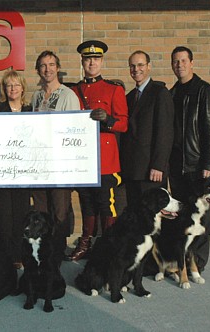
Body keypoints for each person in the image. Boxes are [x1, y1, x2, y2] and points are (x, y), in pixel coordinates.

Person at [67, 41, 128, 261]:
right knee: (87, 203)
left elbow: (123, 124)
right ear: (82, 61)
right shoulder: (73, 90)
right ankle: (86, 243)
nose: (92, 62)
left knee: (105, 204)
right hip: (82, 159)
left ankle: (109, 246)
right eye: (87, 59)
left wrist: (108, 119)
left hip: (105, 160)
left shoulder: (114, 89)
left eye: (96, 59)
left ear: (102, 61)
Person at [169, 46, 210, 272]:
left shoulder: (204, 91)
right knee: (184, 218)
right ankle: (183, 261)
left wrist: (209, 165)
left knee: (202, 217)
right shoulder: (172, 93)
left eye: (183, 60)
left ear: (192, 63)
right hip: (178, 168)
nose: (179, 64)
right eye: (176, 61)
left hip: (199, 167)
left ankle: (197, 264)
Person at [31, 50, 81, 261]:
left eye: (51, 64)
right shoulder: (36, 96)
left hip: (61, 165)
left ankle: (58, 252)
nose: (47, 69)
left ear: (58, 68)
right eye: (43, 65)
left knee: (60, 211)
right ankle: (43, 251)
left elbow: (74, 131)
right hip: (40, 165)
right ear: (38, 70)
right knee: (42, 211)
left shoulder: (68, 95)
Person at [0, 70, 32, 269]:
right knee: (1, 215)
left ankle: (18, 256)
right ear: (4, 89)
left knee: (20, 216)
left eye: (16, 85)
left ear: (23, 88)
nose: (13, 88)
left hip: (24, 172)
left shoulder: (31, 112)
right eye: (9, 85)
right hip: (1, 172)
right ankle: (1, 257)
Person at [120, 50, 174, 207]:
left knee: (152, 218)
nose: (136, 69)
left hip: (152, 171)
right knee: (136, 216)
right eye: (132, 66)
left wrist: (158, 165)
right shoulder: (129, 97)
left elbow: (165, 132)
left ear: (149, 66)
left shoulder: (160, 93)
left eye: (140, 65)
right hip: (132, 170)